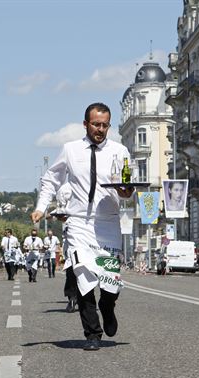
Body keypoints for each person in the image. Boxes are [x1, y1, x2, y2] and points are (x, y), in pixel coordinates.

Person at [31, 102, 134, 351]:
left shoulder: (120, 151)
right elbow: (51, 179)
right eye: (96, 124)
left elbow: (127, 190)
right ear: (85, 124)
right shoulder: (70, 149)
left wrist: (125, 190)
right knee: (83, 276)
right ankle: (92, 333)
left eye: (105, 125)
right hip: (78, 223)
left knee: (109, 282)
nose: (100, 129)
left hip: (108, 223)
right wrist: (41, 206)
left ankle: (108, 307)